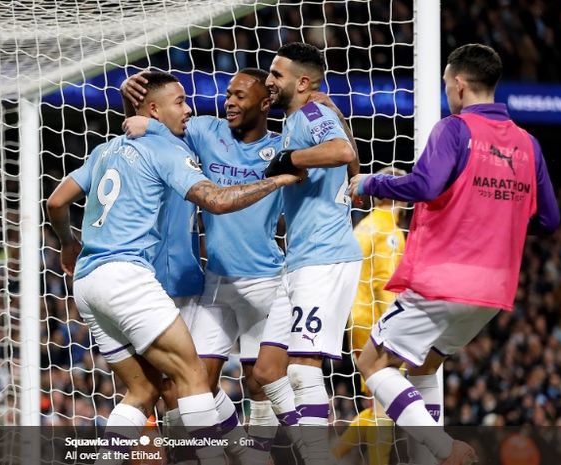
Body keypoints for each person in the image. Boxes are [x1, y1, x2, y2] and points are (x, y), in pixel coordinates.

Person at [46, 70, 304, 465]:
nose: (190, 109)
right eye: (181, 102)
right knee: (191, 380)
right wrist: (278, 181)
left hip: (91, 279)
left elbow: (55, 202)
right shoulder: (170, 151)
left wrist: (67, 244)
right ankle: (230, 454)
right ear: (152, 109)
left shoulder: (107, 149)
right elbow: (214, 198)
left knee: (146, 391)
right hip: (135, 278)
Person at [348, 43, 560, 465]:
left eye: (447, 85)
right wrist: (503, 217)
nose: (448, 93)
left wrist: (372, 184)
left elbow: (425, 186)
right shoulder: (528, 144)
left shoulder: (454, 129)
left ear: (459, 85)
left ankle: (446, 451)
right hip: (492, 293)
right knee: (424, 368)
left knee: (371, 363)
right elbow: (549, 220)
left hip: (443, 280)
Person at [121, 67, 296, 463]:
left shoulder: (284, 146)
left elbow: (332, 150)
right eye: (228, 94)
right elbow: (149, 129)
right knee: (193, 383)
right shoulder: (204, 131)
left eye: (240, 96)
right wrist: (129, 105)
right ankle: (241, 452)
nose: (229, 102)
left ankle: (263, 453)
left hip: (266, 280)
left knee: (258, 382)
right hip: (215, 281)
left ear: (266, 103)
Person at [263, 42, 362, 464]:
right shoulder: (299, 118)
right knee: (268, 371)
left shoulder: (309, 114)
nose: (269, 81)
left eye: (276, 75)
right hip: (301, 259)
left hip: (324, 258)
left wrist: (289, 157)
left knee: (303, 367)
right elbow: (350, 161)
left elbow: (342, 152)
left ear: (303, 83)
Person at [333, 166, 407, 465]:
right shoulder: (387, 231)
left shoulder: (364, 226)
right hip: (378, 325)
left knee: (381, 404)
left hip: (358, 322)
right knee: (384, 407)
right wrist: (394, 332)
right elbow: (385, 285)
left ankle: (333, 455)